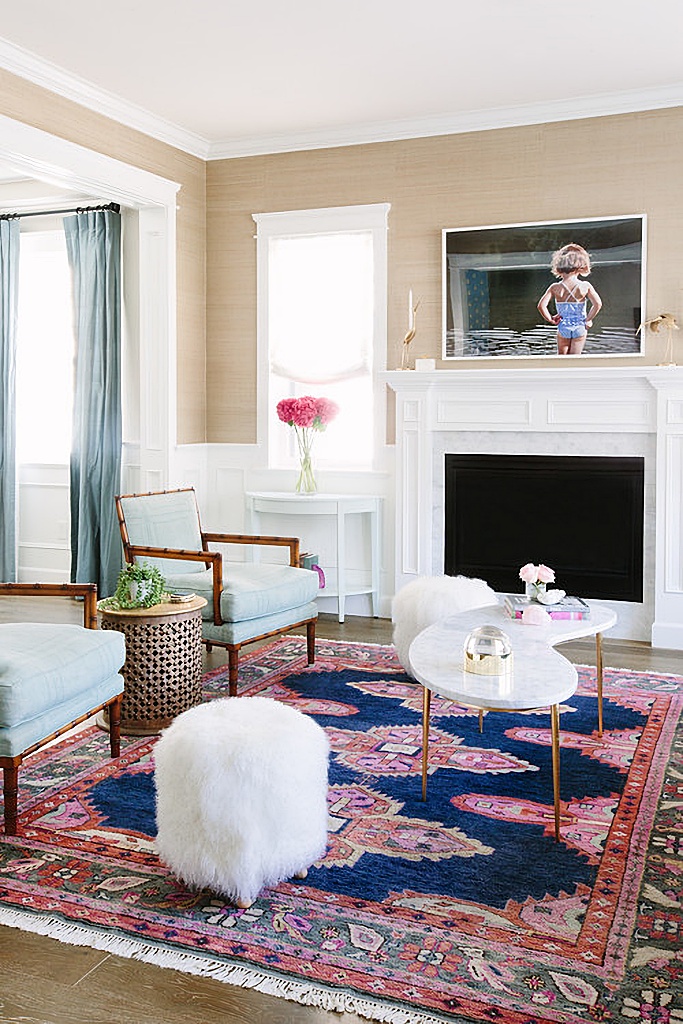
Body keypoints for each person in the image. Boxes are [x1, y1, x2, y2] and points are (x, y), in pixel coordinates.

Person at [537, 243, 602, 355]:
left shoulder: (555, 287)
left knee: (561, 359)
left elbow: (541, 306)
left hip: (563, 326)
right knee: (575, 360)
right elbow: (598, 304)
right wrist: (588, 319)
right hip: (580, 326)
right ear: (581, 265)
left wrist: (551, 319)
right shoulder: (585, 286)